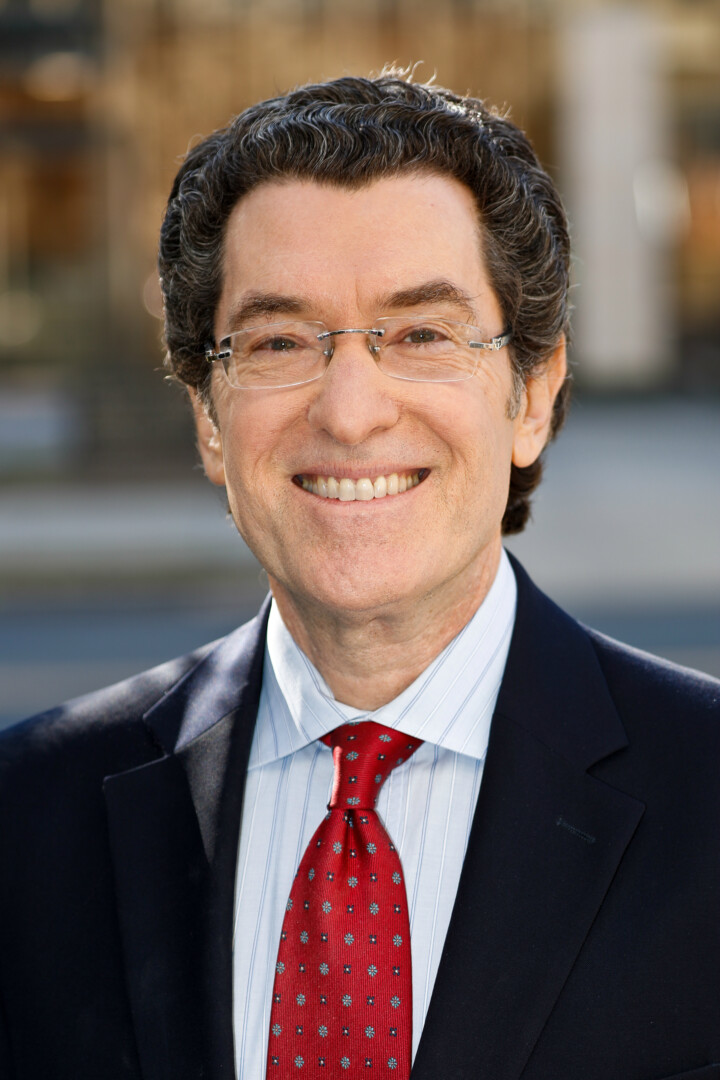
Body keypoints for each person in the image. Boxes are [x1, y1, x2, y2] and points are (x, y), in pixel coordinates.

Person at [0, 71, 718, 1080]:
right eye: (279, 341)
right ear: (209, 419)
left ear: (532, 396)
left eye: (421, 334)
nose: (349, 412)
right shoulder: (28, 815)